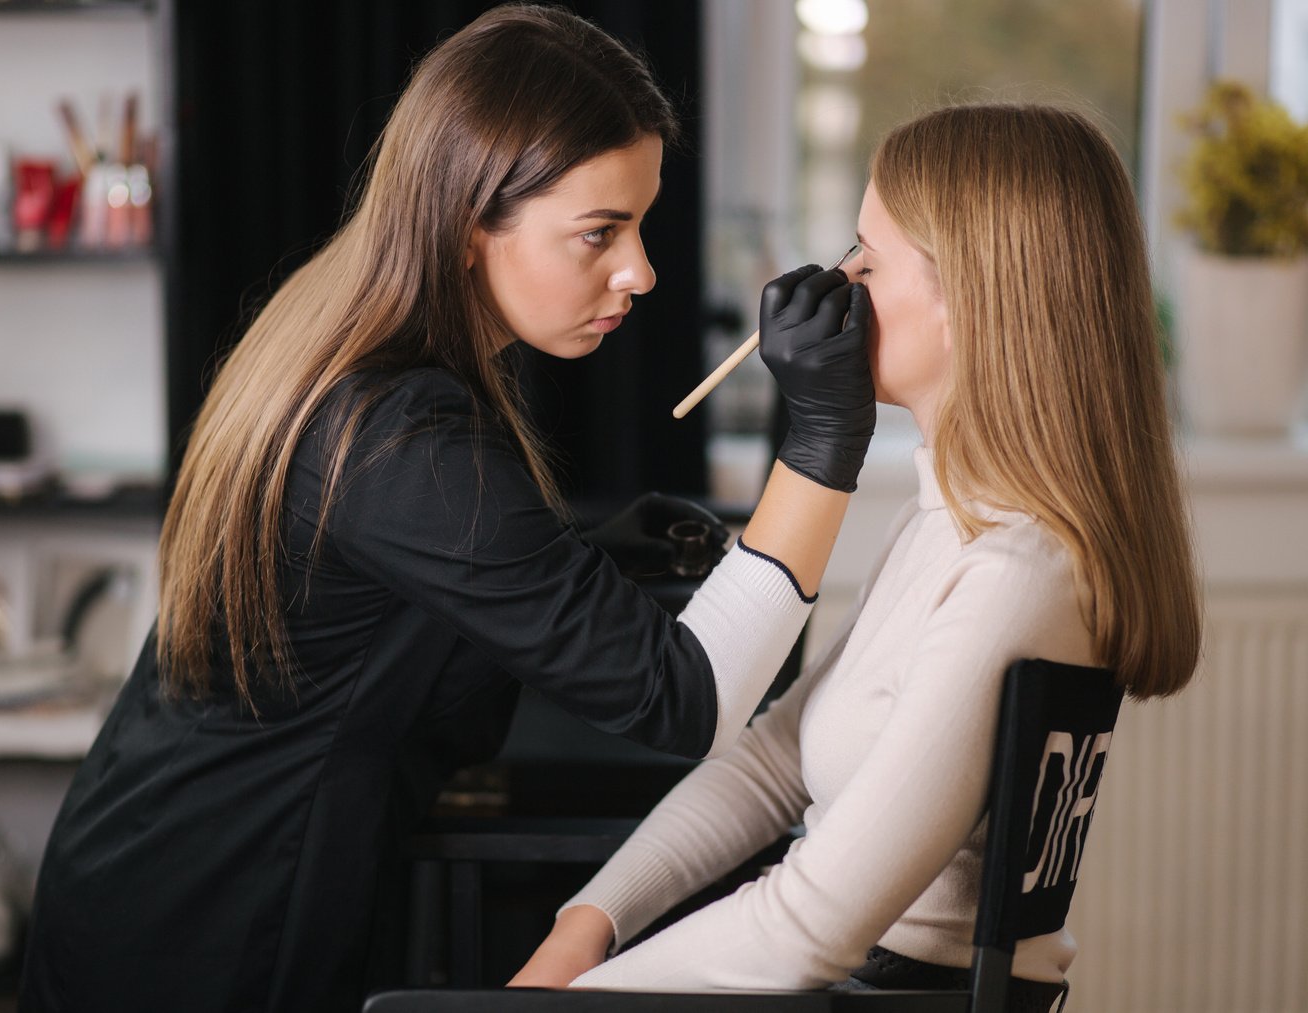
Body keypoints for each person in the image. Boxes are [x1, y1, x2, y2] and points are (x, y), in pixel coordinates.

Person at [18, 6, 876, 1012]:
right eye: (599, 232)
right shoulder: (401, 435)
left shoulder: (348, 340)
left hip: (144, 863)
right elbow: (683, 700)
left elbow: (385, 601)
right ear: (471, 224)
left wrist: (588, 558)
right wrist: (823, 441)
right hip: (203, 921)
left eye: (638, 225)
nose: (638, 271)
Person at [511, 102, 1202, 1011]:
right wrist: (588, 920)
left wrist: (545, 1005)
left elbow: (807, 926)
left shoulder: (1014, 573)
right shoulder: (950, 527)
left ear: (973, 298)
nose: (839, 283)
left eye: (866, 261)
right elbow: (773, 763)